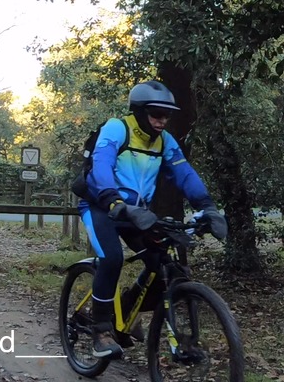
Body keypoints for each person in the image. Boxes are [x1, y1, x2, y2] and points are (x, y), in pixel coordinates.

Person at [77, 80, 227, 359]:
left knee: (165, 264)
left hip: (137, 212)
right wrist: (113, 200)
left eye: (166, 115)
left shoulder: (164, 141)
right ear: (138, 111)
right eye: (156, 113)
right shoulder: (117, 128)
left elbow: (185, 174)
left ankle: (127, 311)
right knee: (112, 259)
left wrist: (208, 207)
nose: (162, 120)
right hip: (101, 206)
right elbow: (102, 164)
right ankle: (101, 331)